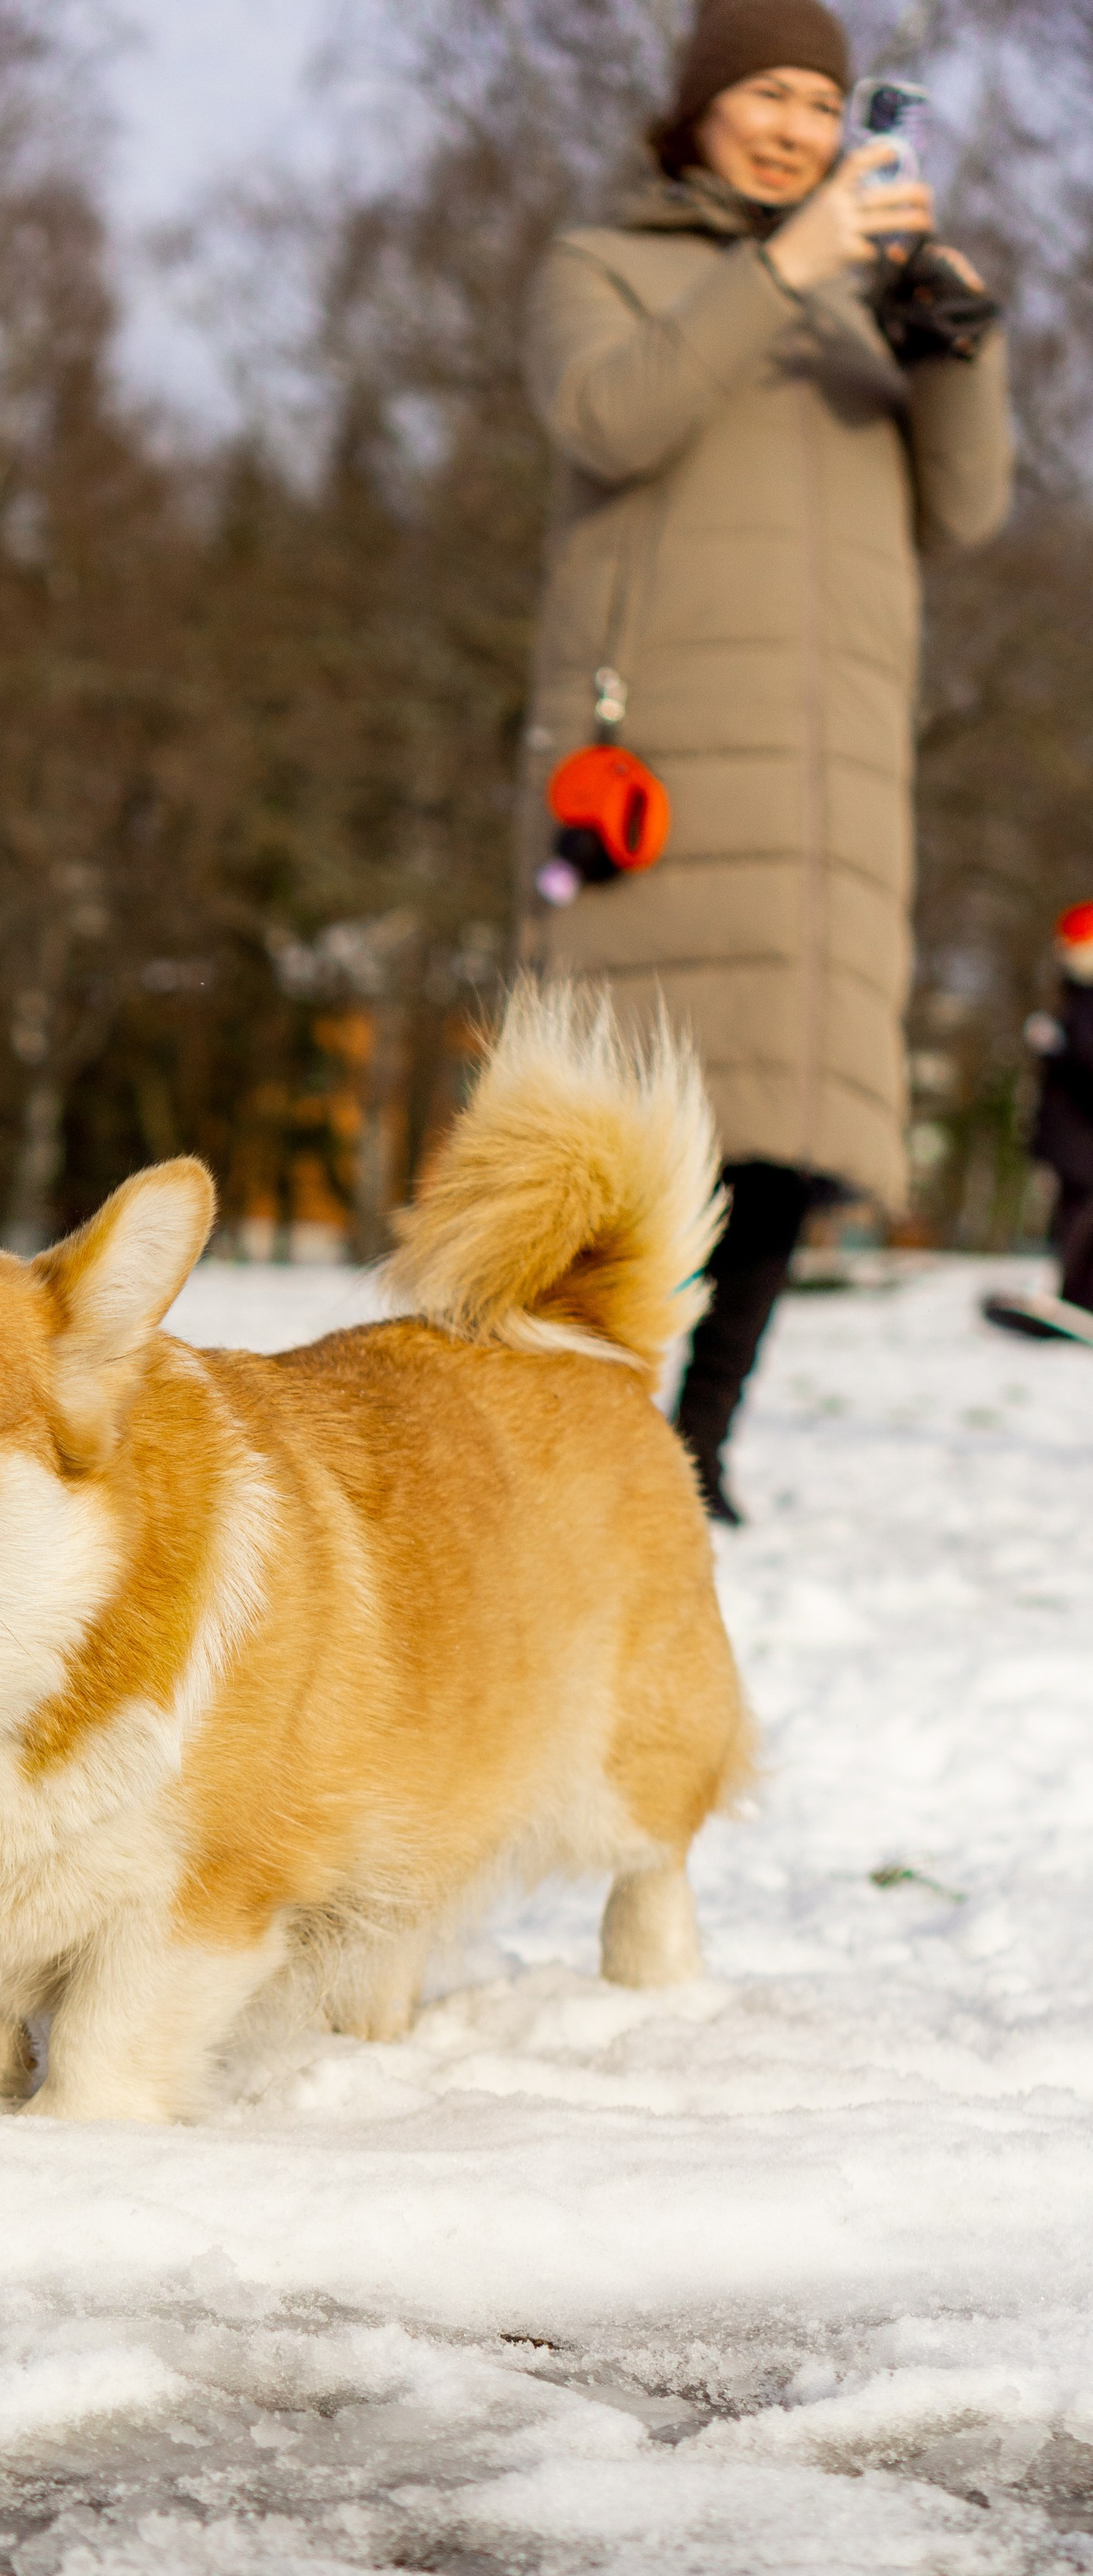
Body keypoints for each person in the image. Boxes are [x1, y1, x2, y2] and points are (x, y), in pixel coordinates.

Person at [521, 0, 1013, 1518]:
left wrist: (959, 346)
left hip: (834, 780)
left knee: (792, 1142)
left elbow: (972, 506)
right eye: (769, 97)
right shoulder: (607, 265)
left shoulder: (868, 322)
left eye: (823, 100)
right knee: (629, 1139)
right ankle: (560, 1450)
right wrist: (784, 267)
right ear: (699, 114)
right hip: (662, 756)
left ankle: (695, 1454)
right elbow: (611, 412)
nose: (801, 126)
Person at [983, 903, 1093, 1344]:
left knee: (1079, 1216)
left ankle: (1078, 1301)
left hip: (1077, 1132)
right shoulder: (1078, 998)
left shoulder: (1076, 1000)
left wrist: (1056, 1050)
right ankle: (1076, 1302)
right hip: (1076, 1132)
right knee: (1078, 1216)